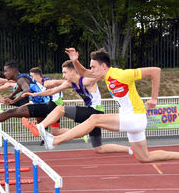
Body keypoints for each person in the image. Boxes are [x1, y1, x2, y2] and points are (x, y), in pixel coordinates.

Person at [38, 47, 179, 163]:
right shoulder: (103, 75)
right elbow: (83, 72)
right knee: (144, 157)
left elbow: (155, 71)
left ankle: (55, 140)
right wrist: (75, 61)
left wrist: (154, 99)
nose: (91, 70)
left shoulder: (121, 75)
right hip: (132, 120)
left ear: (103, 66)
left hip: (135, 118)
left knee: (94, 119)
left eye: (93, 67)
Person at [22, 60, 130, 154]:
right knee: (99, 148)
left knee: (60, 108)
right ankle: (130, 150)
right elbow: (52, 90)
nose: (63, 76)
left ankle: (39, 127)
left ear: (73, 71)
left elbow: (99, 75)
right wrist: (33, 95)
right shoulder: (70, 83)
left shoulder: (87, 80)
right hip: (91, 113)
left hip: (95, 112)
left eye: (65, 72)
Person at [0, 60, 61, 133]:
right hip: (46, 104)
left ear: (13, 70)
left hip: (44, 105)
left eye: (6, 71)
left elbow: (26, 90)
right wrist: (11, 96)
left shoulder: (21, 79)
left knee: (10, 113)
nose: (4, 73)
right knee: (51, 132)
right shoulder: (22, 78)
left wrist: (13, 101)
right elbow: (20, 88)